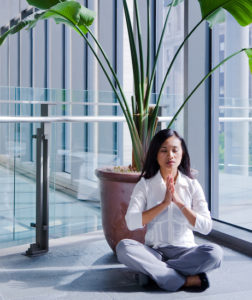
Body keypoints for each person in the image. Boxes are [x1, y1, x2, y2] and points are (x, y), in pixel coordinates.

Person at [116, 129, 223, 292]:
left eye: (175, 150)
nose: (170, 155)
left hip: (187, 253)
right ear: (156, 155)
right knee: (124, 247)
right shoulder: (145, 185)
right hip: (154, 251)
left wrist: (179, 203)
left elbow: (206, 227)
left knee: (215, 253)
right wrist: (164, 203)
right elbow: (131, 223)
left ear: (182, 153)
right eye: (164, 151)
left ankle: (155, 273)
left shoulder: (192, 185)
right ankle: (184, 280)